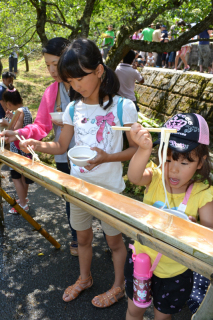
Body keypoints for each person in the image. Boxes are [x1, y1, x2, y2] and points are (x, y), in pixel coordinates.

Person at [19, 38, 138, 308]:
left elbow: (135, 150)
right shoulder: (74, 108)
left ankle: (118, 286)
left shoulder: (123, 107)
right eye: (70, 81)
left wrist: (108, 157)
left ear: (98, 71)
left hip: (109, 189)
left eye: (79, 78)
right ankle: (85, 278)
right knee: (82, 238)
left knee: (115, 242)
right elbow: (62, 145)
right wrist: (38, 145)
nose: (75, 86)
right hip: (79, 187)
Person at [124, 113, 213, 320]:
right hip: (140, 260)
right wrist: (144, 149)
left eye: (185, 163)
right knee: (134, 310)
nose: (173, 169)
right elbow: (134, 177)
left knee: (162, 317)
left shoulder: (202, 193)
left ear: (200, 162)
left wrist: (193, 229)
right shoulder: (155, 177)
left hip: (175, 271)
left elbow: (209, 234)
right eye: (168, 159)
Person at [0, 38, 78, 256]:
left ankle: (111, 241)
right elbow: (41, 126)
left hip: (91, 156)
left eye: (56, 63)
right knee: (71, 200)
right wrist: (17, 133)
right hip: (63, 156)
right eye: (47, 65)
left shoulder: (84, 86)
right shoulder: (51, 91)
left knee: (98, 200)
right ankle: (76, 237)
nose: (52, 70)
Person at [3, 84, 33, 212]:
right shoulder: (25, 110)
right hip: (25, 150)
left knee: (16, 178)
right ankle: (23, 199)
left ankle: (22, 205)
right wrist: (11, 118)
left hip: (18, 151)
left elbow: (17, 131)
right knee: (23, 178)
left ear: (8, 104)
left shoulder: (20, 112)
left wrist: (5, 123)